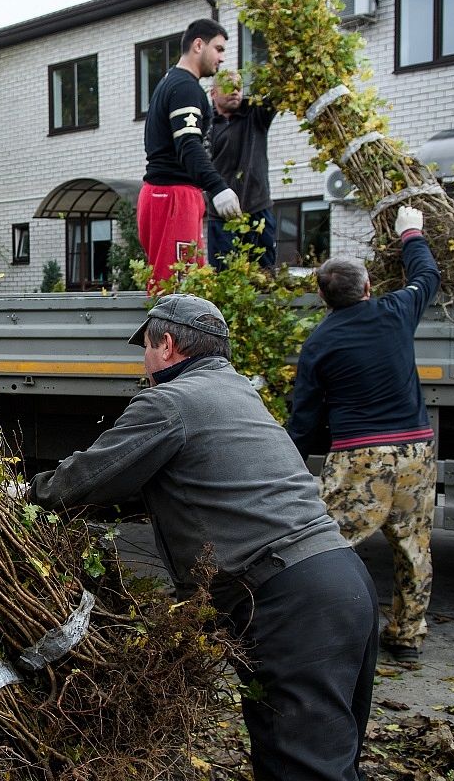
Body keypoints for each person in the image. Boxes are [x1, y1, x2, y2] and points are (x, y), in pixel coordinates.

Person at [28, 293, 378, 781]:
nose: (144, 363)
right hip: (344, 583)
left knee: (301, 768)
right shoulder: (238, 394)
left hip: (291, 604)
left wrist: (23, 494)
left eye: (146, 348)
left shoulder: (170, 401)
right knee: (331, 760)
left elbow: (82, 481)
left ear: (167, 345)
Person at [286, 205, 440, 664]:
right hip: (415, 451)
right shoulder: (397, 311)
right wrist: (410, 230)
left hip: (359, 459)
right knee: (413, 545)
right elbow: (427, 273)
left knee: (326, 545)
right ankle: (407, 638)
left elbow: (306, 420)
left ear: (323, 298)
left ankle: (315, 632)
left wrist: (286, 465)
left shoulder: (318, 344)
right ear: (369, 288)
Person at [139, 19, 242, 287]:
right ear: (198, 45)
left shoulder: (171, 82)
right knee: (175, 287)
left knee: (184, 283)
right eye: (218, 49)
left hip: (166, 194)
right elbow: (188, 144)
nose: (221, 58)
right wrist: (218, 187)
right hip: (173, 195)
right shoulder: (185, 88)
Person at [206, 70, 278, 270]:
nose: (235, 91)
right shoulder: (206, 125)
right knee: (224, 274)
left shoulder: (255, 115)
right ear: (213, 93)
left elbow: (279, 92)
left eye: (239, 86)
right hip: (221, 214)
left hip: (258, 208)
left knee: (265, 274)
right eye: (228, 86)